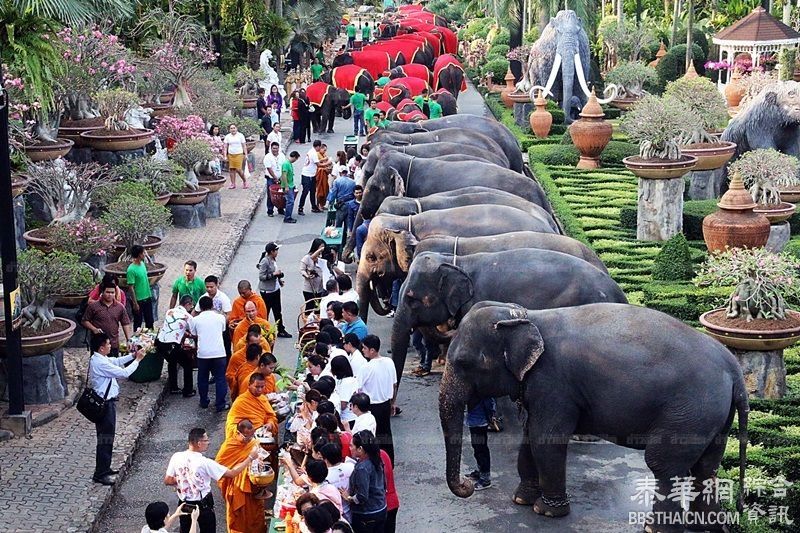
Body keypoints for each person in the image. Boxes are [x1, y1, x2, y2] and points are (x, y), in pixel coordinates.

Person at [165, 427, 260, 533]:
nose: (208, 442)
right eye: (206, 440)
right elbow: (232, 473)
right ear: (199, 443)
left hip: (184, 504)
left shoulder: (176, 457)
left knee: (186, 529)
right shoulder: (205, 463)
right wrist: (250, 458)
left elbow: (168, 480)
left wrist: (183, 481)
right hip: (203, 505)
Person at [89, 332, 146, 485]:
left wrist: (133, 355)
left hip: (108, 404)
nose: (110, 346)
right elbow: (124, 373)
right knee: (105, 439)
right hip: (104, 405)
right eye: (108, 344)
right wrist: (138, 360)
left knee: (108, 437)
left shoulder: (101, 359)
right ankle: (100, 473)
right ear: (101, 348)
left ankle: (105, 468)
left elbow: (117, 361)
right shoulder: (100, 363)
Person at [214, 419, 268, 533]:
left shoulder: (253, 442)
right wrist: (249, 460)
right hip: (237, 488)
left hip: (253, 486)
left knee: (256, 515)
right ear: (238, 433)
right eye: (246, 437)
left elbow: (259, 456)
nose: (249, 440)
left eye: (251, 436)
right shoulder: (229, 446)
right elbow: (219, 470)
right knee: (239, 520)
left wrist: (259, 461)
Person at [358, 335, 397, 462]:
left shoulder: (366, 368)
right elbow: (394, 385)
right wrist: (393, 402)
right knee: (386, 434)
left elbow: (358, 389)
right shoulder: (389, 362)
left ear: (372, 350)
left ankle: (376, 462)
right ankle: (389, 462)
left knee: (373, 436)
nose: (363, 350)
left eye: (364, 348)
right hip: (385, 404)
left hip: (372, 406)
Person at [340, 430, 387, 533]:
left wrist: (348, 498)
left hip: (366, 515)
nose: (350, 448)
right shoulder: (377, 459)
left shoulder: (362, 468)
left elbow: (362, 496)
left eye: (352, 446)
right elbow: (384, 484)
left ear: (360, 449)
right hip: (380, 508)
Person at [191, 296, 229, 412]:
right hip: (219, 353)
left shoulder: (195, 320)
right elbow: (223, 330)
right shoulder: (220, 318)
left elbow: (194, 334)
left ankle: (204, 401)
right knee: (220, 378)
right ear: (212, 305)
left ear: (201, 307)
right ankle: (220, 404)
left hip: (203, 354)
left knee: (202, 378)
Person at [157, 295, 196, 397]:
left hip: (160, 343)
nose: (191, 308)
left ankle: (174, 387)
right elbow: (193, 333)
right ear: (188, 304)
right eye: (191, 306)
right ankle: (188, 390)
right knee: (187, 364)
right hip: (172, 345)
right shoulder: (188, 317)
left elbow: (175, 327)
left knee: (172, 362)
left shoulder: (169, 311)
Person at [82, 280, 132, 357]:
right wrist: (94, 329)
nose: (110, 295)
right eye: (108, 292)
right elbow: (85, 320)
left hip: (113, 343)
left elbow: (125, 323)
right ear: (102, 292)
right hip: (98, 345)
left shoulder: (120, 307)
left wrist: (128, 340)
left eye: (112, 293)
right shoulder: (93, 306)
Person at [225, 373, 278, 439]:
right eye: (257, 387)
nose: (260, 390)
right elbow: (231, 423)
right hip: (248, 438)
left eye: (262, 387)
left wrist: (270, 424)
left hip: (263, 434)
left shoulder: (263, 398)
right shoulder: (241, 401)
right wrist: (245, 434)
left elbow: (271, 416)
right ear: (249, 385)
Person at [257, 242, 291, 337]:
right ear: (271, 251)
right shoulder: (265, 261)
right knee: (266, 312)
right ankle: (264, 331)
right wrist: (274, 275)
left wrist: (279, 280)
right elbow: (262, 276)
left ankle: (280, 329)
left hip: (275, 289)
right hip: (267, 292)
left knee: (277, 311)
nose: (277, 252)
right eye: (276, 250)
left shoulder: (273, 260)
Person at [465, 397, 496, 491]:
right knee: (477, 449)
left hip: (480, 423)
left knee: (481, 450)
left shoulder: (484, 392)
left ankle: (485, 479)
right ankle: (480, 471)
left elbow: (489, 404)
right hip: (473, 422)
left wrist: (491, 417)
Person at [319, 442, 355, 521]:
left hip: (337, 513)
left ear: (326, 459)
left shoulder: (325, 475)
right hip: (353, 509)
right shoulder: (351, 466)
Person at [126, 244, 154, 331]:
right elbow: (131, 288)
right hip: (139, 300)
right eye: (143, 253)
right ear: (139, 255)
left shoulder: (142, 264)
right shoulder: (131, 270)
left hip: (147, 297)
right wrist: (135, 303)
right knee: (138, 322)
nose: (145, 254)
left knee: (150, 321)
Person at [330, 356, 359, 428]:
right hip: (349, 417)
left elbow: (343, 405)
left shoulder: (346, 383)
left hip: (348, 419)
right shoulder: (347, 380)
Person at [301, 238, 327, 313]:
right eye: (321, 247)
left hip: (320, 288)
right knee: (309, 307)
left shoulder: (322, 258)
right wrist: (307, 276)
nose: (322, 249)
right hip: (309, 288)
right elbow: (302, 270)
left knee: (319, 308)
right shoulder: (307, 258)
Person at [299, 140, 323, 215]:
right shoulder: (313, 153)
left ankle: (313, 206)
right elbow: (318, 164)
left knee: (313, 191)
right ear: (318, 146)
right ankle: (300, 207)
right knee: (305, 192)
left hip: (312, 174)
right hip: (307, 175)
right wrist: (327, 163)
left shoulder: (312, 151)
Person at [263, 141, 286, 218]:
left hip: (281, 177)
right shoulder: (267, 157)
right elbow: (269, 168)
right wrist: (275, 178)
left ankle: (280, 209)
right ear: (271, 148)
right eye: (273, 148)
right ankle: (270, 210)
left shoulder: (282, 156)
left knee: (281, 194)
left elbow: (284, 166)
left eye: (276, 148)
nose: (275, 150)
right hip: (271, 178)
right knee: (271, 195)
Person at [223, 123, 249, 189]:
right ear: (229, 130)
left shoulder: (240, 135)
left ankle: (245, 181)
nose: (233, 129)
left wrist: (246, 154)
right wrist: (225, 156)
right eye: (231, 128)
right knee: (231, 169)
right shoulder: (227, 136)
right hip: (231, 154)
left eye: (234, 128)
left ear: (236, 128)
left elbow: (244, 146)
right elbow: (225, 147)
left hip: (239, 154)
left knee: (239, 169)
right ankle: (233, 183)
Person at [280, 150, 299, 223]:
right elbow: (284, 175)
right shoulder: (286, 164)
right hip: (287, 185)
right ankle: (287, 217)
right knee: (290, 201)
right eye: (296, 159)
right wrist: (286, 186)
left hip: (290, 184)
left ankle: (288, 215)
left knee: (290, 201)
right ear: (294, 157)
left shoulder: (289, 163)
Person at [315, 143, 333, 210]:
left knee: (325, 189)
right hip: (320, 174)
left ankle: (322, 205)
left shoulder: (324, 155)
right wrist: (325, 163)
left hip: (324, 175)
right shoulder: (317, 155)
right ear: (320, 148)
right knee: (320, 190)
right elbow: (318, 165)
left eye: (325, 150)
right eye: (324, 150)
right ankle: (318, 205)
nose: (325, 152)